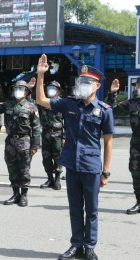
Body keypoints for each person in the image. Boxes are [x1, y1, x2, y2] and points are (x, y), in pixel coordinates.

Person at [36, 54, 113, 260]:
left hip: (91, 166)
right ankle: (76, 245)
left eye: (88, 82)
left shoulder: (104, 110)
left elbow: (108, 142)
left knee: (93, 210)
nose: (83, 85)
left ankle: (90, 247)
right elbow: (41, 100)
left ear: (97, 86)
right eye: (81, 81)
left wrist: (105, 171)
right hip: (72, 165)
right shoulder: (70, 104)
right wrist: (41, 76)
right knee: (75, 209)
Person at [0, 80, 41, 207]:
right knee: (12, 168)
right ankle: (15, 193)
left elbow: (36, 127)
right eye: (16, 88)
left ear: (26, 91)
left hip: (25, 141)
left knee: (24, 169)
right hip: (10, 141)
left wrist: (35, 145)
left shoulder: (31, 107)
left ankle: (24, 195)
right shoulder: (8, 104)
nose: (18, 91)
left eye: (21, 89)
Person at [106, 77, 140, 214]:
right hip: (136, 146)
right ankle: (139, 201)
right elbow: (110, 111)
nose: (137, 87)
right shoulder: (132, 103)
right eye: (138, 85)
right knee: (136, 173)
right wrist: (112, 94)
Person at [37, 81, 65, 190]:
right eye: (49, 88)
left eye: (53, 88)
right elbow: (30, 104)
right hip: (46, 133)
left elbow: (67, 121)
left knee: (58, 156)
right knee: (46, 157)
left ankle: (57, 179)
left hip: (58, 133)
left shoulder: (62, 103)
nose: (51, 90)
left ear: (58, 91)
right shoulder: (43, 102)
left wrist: (64, 136)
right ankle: (50, 179)